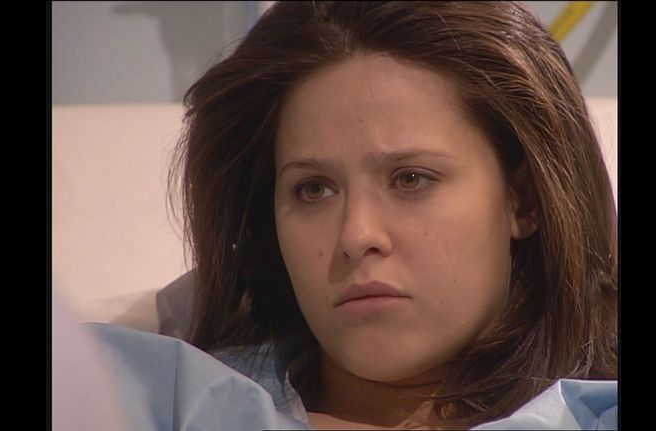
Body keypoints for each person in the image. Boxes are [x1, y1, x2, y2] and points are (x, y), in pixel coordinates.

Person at [91, 2, 617, 430]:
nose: (357, 235)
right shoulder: (147, 400)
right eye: (313, 189)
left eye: (411, 179)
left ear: (524, 201)